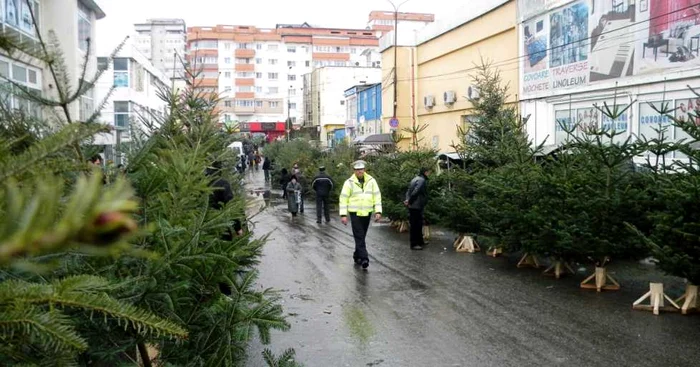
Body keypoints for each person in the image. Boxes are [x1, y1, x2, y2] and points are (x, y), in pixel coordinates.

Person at [339, 160, 382, 269]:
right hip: (355, 213)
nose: (359, 171)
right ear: (354, 171)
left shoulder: (371, 181)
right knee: (359, 235)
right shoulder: (349, 182)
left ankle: (356, 255)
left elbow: (377, 196)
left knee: (361, 236)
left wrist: (378, 211)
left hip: (367, 213)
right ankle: (364, 258)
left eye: (361, 169)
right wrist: (343, 215)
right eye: (357, 170)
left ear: (364, 170)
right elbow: (343, 199)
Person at [404, 167, 430, 250]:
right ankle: (414, 244)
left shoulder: (415, 179)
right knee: (415, 225)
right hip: (416, 205)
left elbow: (408, 190)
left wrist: (407, 200)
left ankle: (420, 241)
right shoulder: (422, 181)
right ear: (425, 172)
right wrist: (410, 201)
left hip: (415, 205)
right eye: (428, 172)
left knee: (418, 224)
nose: (429, 174)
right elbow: (416, 191)